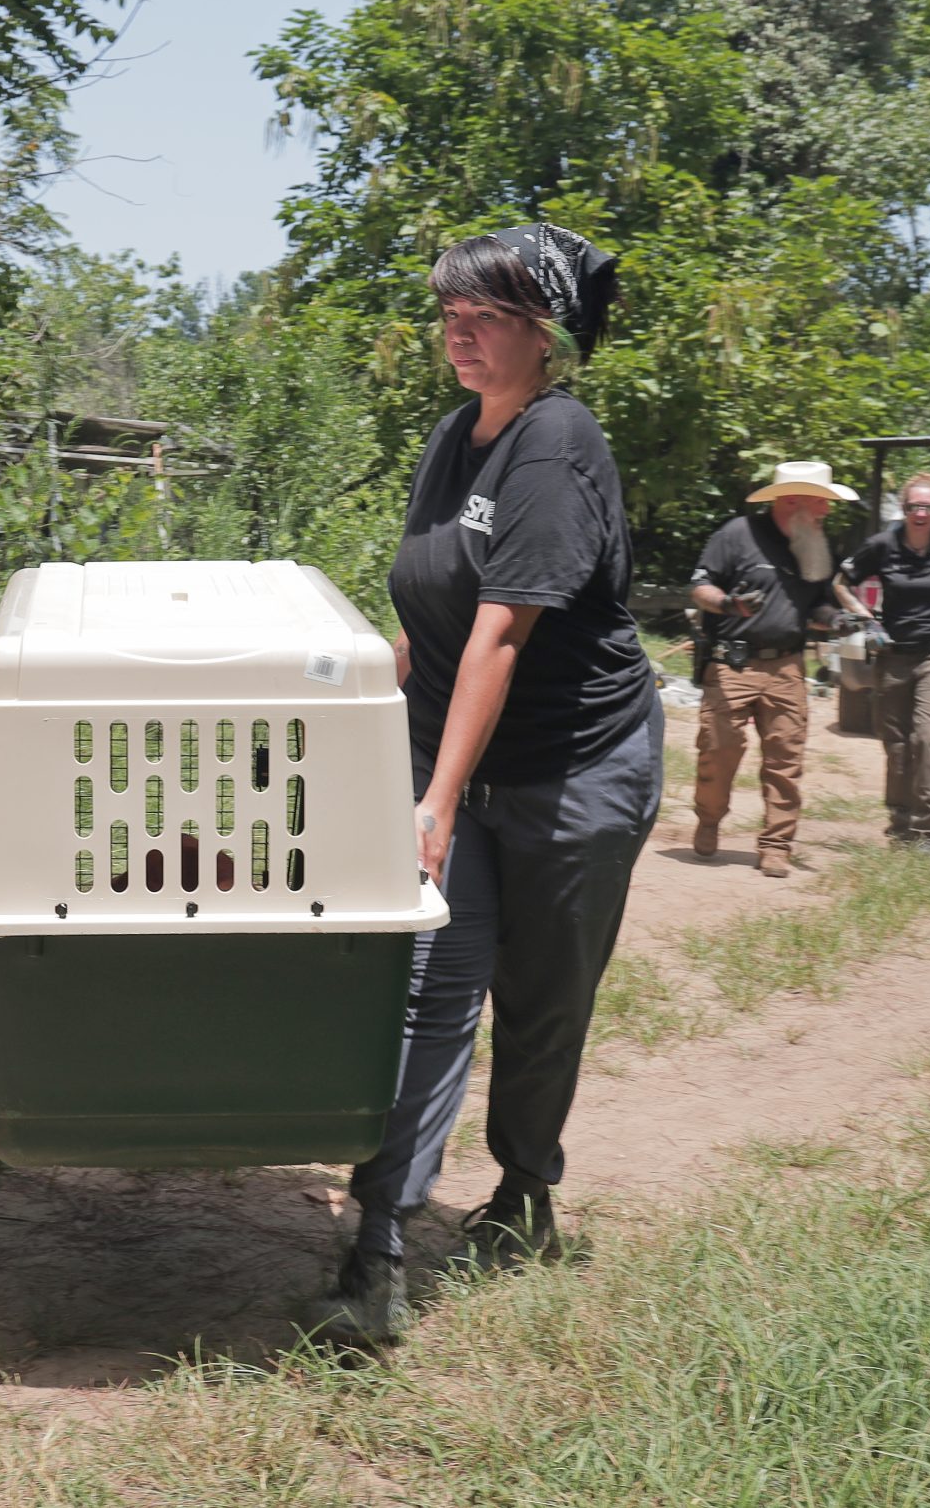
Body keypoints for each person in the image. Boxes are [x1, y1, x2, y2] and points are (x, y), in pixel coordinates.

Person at [313, 223, 663, 1346]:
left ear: (542, 331)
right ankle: (379, 1240)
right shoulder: (451, 440)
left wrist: (435, 798)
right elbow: (431, 618)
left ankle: (525, 1190)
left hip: (576, 767)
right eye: (449, 315)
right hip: (453, 764)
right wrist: (376, 748)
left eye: (489, 317)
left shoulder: (556, 444)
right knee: (424, 986)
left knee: (544, 993)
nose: (460, 333)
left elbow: (501, 638)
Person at [687, 462, 856, 877]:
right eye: (821, 501)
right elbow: (698, 586)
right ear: (791, 501)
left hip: (788, 667)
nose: (826, 511)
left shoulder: (814, 543)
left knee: (786, 758)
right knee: (718, 750)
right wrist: (728, 604)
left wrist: (834, 620)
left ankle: (777, 844)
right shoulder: (736, 534)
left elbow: (816, 603)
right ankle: (709, 820)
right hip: (733, 664)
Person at [833, 473, 930, 851]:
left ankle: (927, 830)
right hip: (893, 655)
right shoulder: (881, 545)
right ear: (904, 508)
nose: (921, 513)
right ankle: (900, 821)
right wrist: (867, 619)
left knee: (928, 736)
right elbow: (840, 583)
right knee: (896, 744)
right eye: (914, 506)